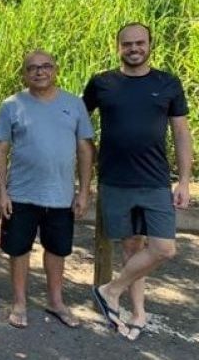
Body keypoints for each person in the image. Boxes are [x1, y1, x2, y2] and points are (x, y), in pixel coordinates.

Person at [84, 22, 192, 341]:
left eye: (139, 43)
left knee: (163, 248)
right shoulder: (102, 83)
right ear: (118, 46)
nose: (134, 49)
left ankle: (110, 290)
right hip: (115, 180)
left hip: (155, 180)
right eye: (127, 44)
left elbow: (181, 133)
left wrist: (184, 180)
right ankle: (138, 313)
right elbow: (77, 121)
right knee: (132, 247)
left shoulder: (167, 83)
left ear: (149, 45)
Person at [0, 50, 94, 329]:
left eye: (46, 66)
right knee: (18, 249)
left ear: (55, 69)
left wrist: (84, 191)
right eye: (32, 68)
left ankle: (56, 301)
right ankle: (19, 302)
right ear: (24, 74)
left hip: (60, 195)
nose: (39, 72)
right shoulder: (11, 105)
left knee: (57, 249)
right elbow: (0, 150)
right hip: (21, 194)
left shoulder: (73, 104)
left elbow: (85, 149)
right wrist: (2, 192)